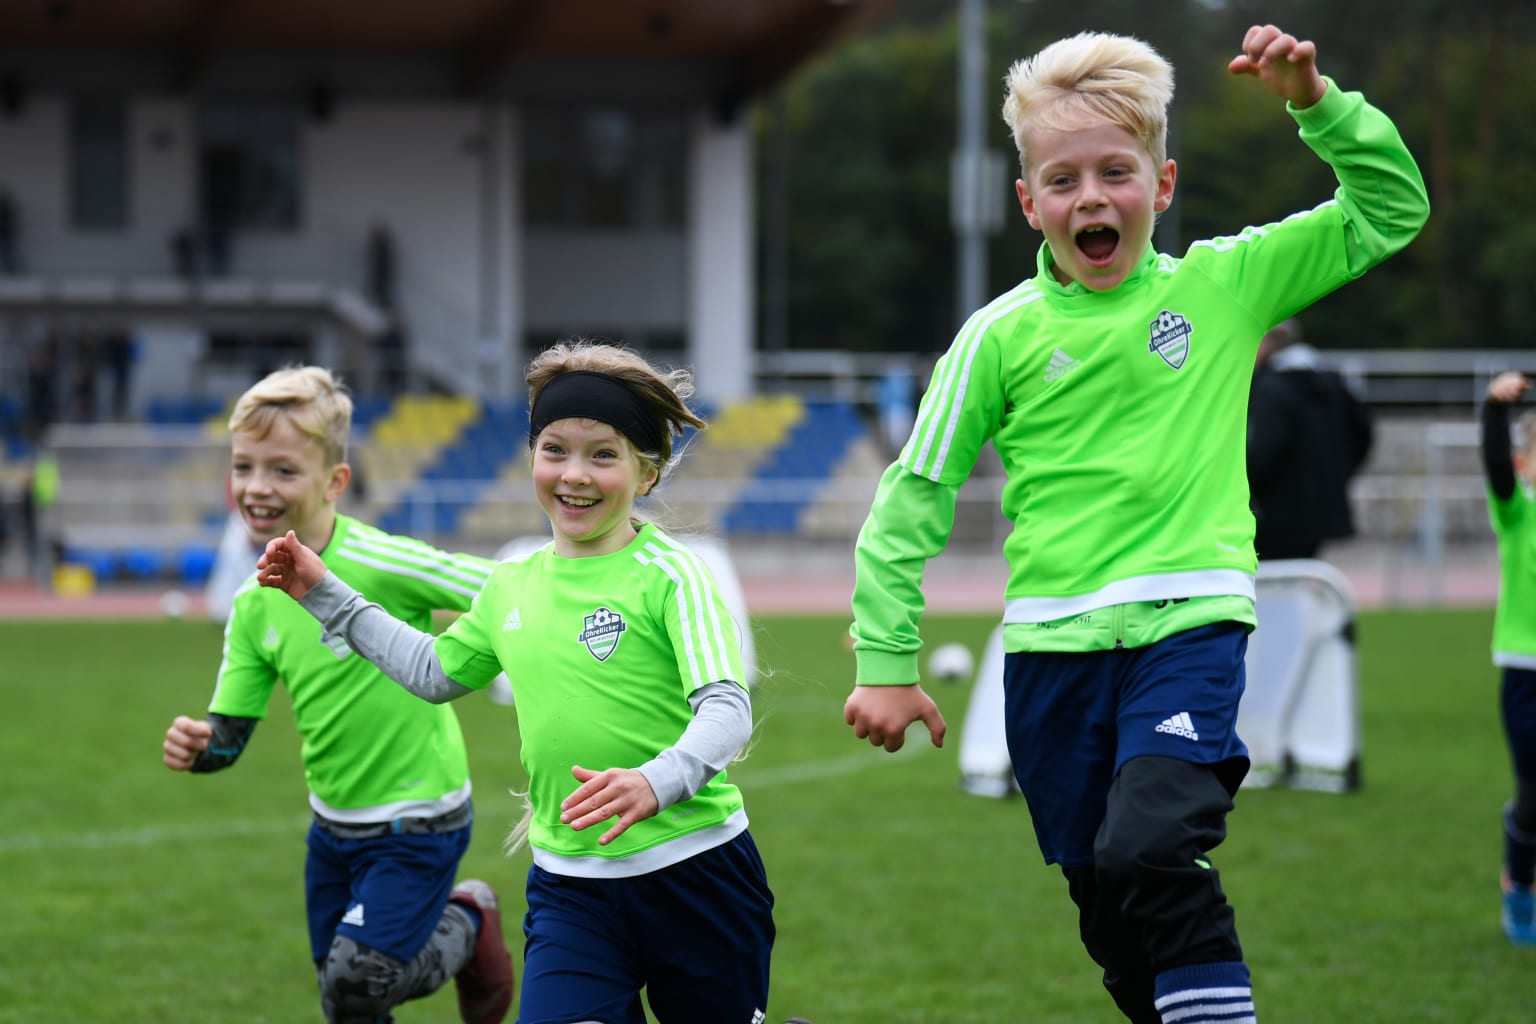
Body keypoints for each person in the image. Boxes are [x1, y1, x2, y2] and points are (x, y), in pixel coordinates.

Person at [842, 25, 1428, 1024]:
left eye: (1116, 172)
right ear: (1030, 203)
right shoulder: (998, 336)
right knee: (1108, 902)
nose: (1092, 198)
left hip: (1187, 628)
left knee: (1150, 846)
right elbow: (914, 494)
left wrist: (1316, 102)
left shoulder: (1225, 286)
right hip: (1048, 657)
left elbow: (1389, 209)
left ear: (1161, 183)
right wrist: (885, 658)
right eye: (1063, 180)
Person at [255, 341, 776, 1023]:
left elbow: (727, 708)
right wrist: (327, 594)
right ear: (531, 457)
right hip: (571, 889)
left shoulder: (673, 576)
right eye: (554, 449)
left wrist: (657, 779)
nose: (574, 474)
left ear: (645, 474)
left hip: (698, 877)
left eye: (603, 454)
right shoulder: (510, 584)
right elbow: (432, 671)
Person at [160, 366, 515, 1024]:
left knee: (355, 983)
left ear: (334, 481)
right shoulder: (250, 606)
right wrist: (203, 746)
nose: (257, 488)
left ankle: (468, 922)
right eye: (243, 467)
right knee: (349, 1005)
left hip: (421, 820)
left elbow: (508, 590)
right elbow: (230, 733)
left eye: (283, 470)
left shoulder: (382, 561)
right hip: (332, 830)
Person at [1479, 370, 1536, 947]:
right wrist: (1494, 410)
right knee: (1534, 793)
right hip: (1525, 673)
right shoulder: (1519, 515)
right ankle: (1519, 883)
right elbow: (1494, 462)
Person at [1247, 318, 1374, 560]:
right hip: (1321, 510)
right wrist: (1338, 475)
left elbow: (1261, 451)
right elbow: (1363, 432)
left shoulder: (1270, 387)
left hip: (1277, 512)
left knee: (1276, 586)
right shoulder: (1331, 382)